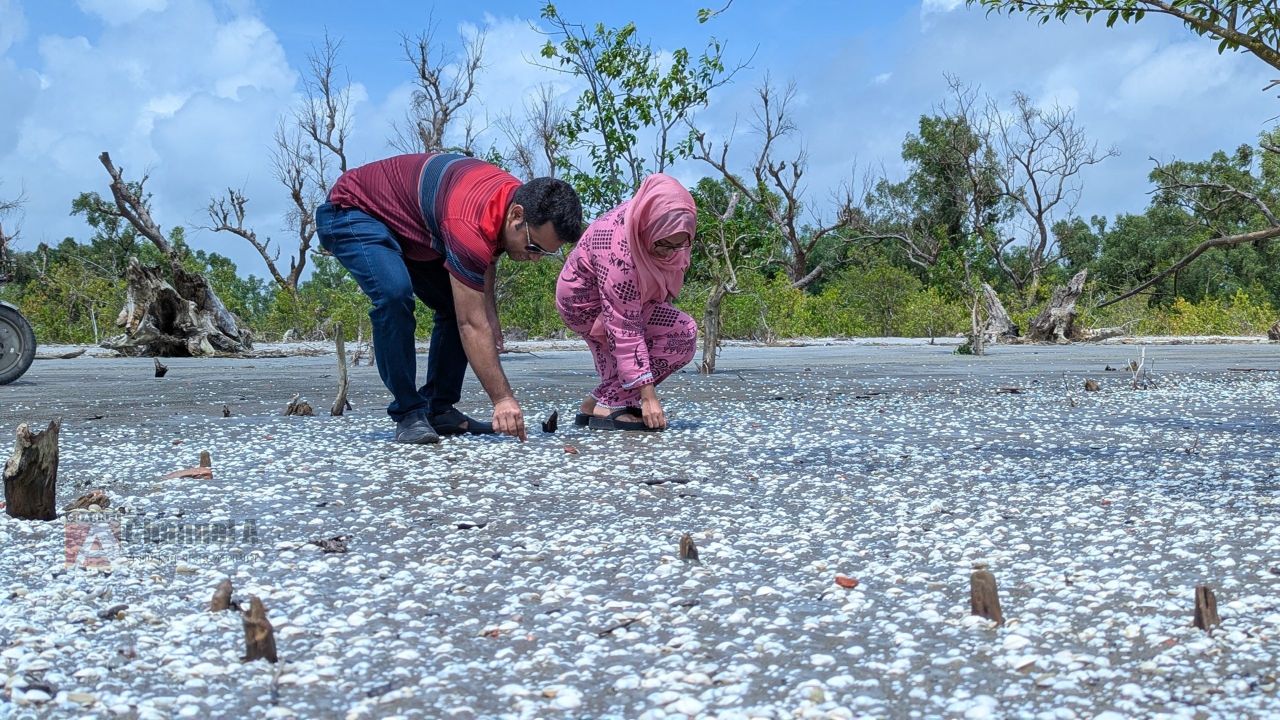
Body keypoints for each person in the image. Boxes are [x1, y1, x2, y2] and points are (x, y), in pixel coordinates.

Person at [316, 153, 583, 444]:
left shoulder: (513, 199)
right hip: (352, 211)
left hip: (413, 229)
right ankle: (409, 412)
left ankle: (438, 408)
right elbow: (470, 323)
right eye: (533, 247)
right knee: (394, 296)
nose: (533, 259)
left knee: (453, 304)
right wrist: (503, 399)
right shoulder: (468, 219)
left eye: (543, 253)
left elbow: (487, 257)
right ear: (516, 215)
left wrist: (491, 315)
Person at [555, 174, 699, 431]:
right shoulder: (618, 246)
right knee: (681, 332)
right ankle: (609, 406)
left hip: (632, 302)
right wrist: (648, 396)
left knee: (631, 361)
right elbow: (625, 328)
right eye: (662, 245)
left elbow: (668, 266)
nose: (670, 253)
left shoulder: (674, 230)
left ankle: (596, 404)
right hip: (583, 304)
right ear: (647, 228)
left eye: (680, 244)